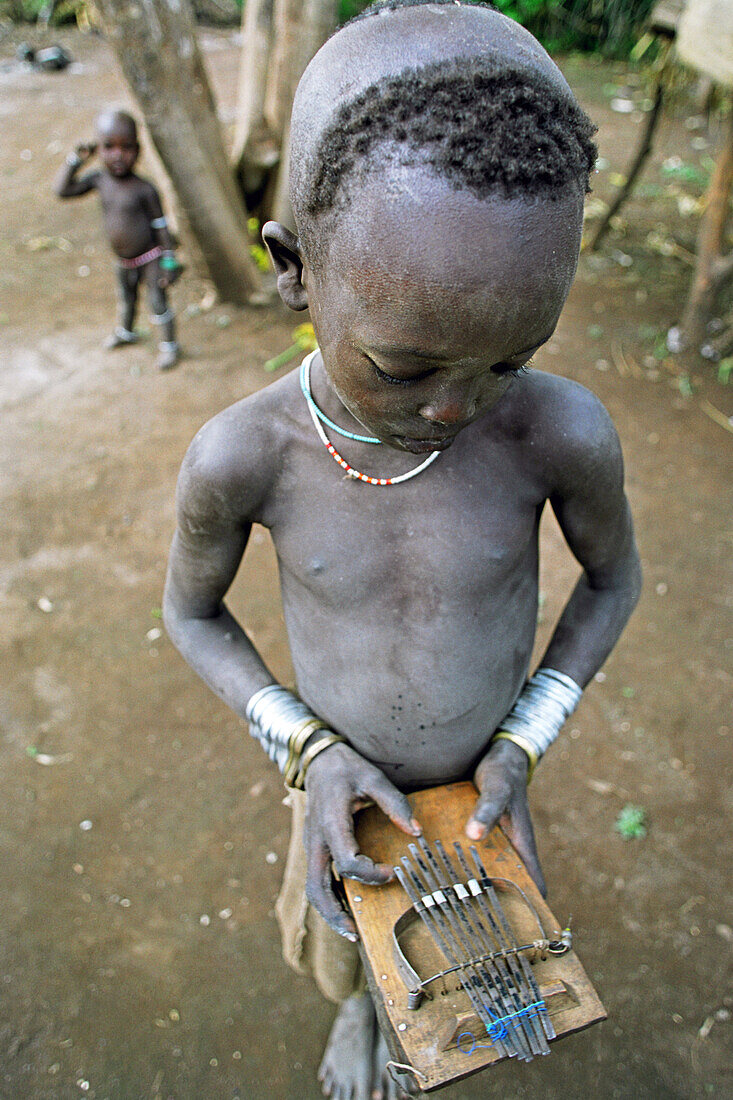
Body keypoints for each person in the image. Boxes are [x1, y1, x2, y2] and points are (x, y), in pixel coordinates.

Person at [163, 2, 642, 1096]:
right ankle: (357, 1021)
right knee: (353, 938)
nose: (455, 409)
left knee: (474, 945)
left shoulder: (556, 434)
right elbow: (190, 611)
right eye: (405, 365)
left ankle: (400, 1021)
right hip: (340, 787)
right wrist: (310, 751)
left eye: (511, 360)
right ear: (294, 268)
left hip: (488, 788)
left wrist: (524, 739)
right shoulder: (245, 457)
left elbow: (615, 576)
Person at [54, 109, 182, 371]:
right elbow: (63, 190)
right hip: (123, 259)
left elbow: (161, 226)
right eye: (108, 147)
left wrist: (169, 263)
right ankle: (126, 332)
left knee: (157, 301)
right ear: (97, 148)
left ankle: (169, 346)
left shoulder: (144, 189)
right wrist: (75, 161)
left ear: (139, 149)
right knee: (127, 296)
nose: (118, 155)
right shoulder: (99, 180)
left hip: (150, 257)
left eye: (127, 147)